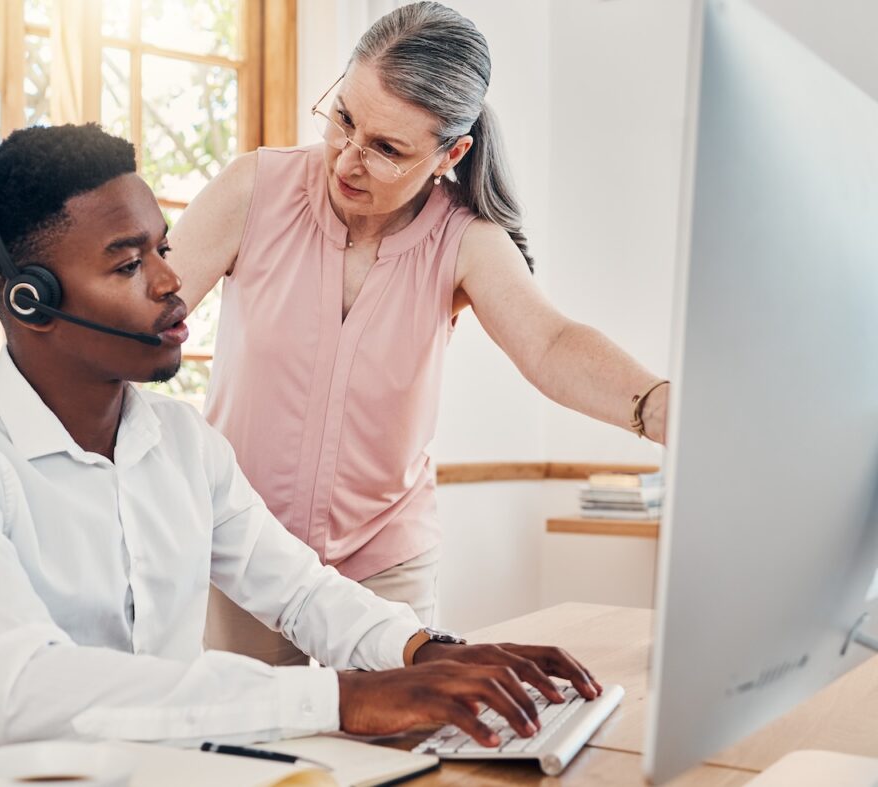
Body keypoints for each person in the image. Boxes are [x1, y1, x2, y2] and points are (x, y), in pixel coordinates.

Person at [0, 124, 602, 785]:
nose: (171, 283)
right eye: (129, 265)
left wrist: (425, 649)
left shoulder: (184, 444)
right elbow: (23, 691)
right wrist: (344, 696)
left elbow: (298, 589)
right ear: (28, 301)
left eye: (162, 247)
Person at [168, 0, 670, 667]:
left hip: (386, 564)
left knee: (399, 762)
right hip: (243, 554)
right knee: (249, 763)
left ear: (450, 153)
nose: (348, 159)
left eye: (386, 149)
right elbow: (142, 317)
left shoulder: (464, 239)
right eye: (344, 118)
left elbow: (548, 344)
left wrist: (667, 411)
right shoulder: (253, 189)